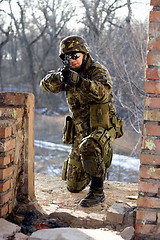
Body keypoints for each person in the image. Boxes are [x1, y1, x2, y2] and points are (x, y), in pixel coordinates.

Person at [40, 35, 123, 207]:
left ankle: (97, 191)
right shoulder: (68, 73)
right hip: (81, 130)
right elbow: (44, 85)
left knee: (89, 146)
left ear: (84, 54)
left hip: (102, 127)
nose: (72, 60)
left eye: (75, 56)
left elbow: (103, 93)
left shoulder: (97, 70)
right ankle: (91, 165)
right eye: (67, 58)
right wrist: (59, 77)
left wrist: (79, 82)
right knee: (74, 186)